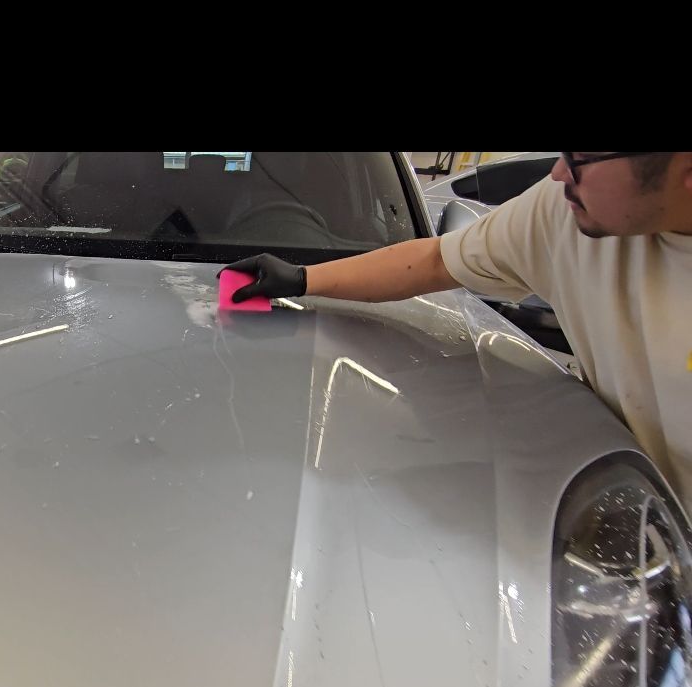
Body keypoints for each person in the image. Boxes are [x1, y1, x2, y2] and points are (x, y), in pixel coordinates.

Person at [225, 151, 692, 512]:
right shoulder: (561, 214)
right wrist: (305, 279)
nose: (557, 173)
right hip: (643, 514)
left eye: (581, 159)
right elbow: (433, 260)